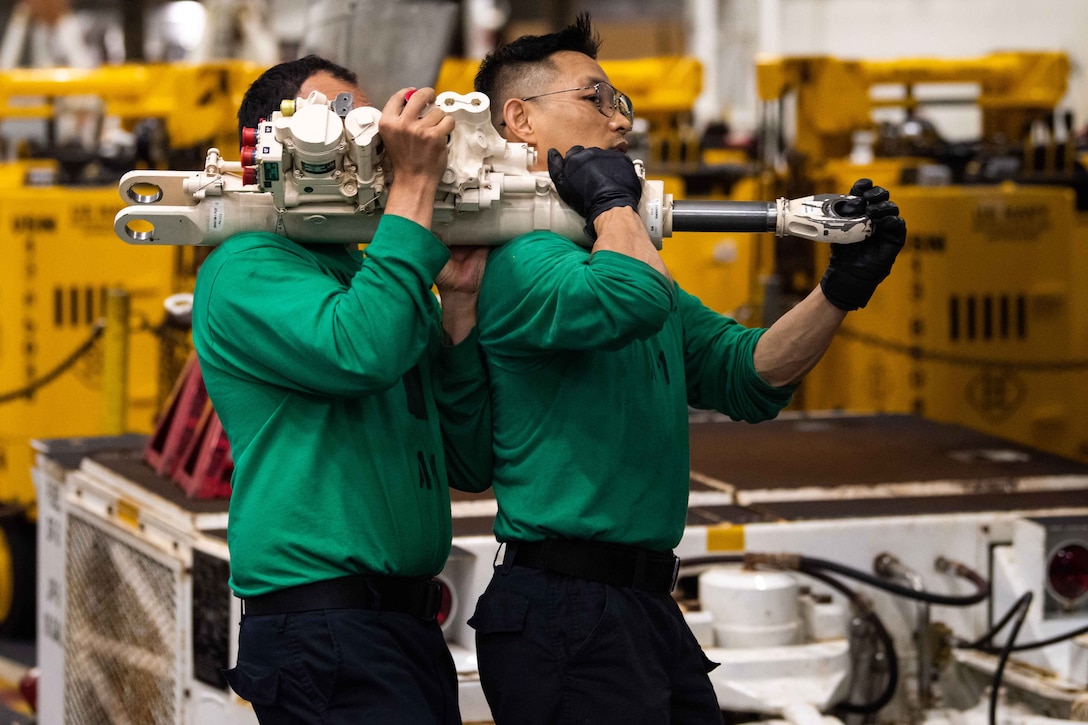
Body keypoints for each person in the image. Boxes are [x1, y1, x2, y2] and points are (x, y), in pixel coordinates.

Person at [466, 14, 906, 725]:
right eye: (596, 99)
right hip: (565, 607)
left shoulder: (620, 256)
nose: (620, 123)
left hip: (637, 606)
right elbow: (633, 296)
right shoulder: (523, 263)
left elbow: (747, 375)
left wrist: (841, 291)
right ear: (519, 121)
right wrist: (613, 202)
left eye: (621, 105)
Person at [191, 55, 491, 724]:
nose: (365, 141)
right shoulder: (245, 267)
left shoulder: (376, 273)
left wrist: (459, 306)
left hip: (401, 626)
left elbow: (468, 460)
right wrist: (413, 190)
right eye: (343, 123)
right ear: (275, 148)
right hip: (324, 628)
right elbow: (360, 350)